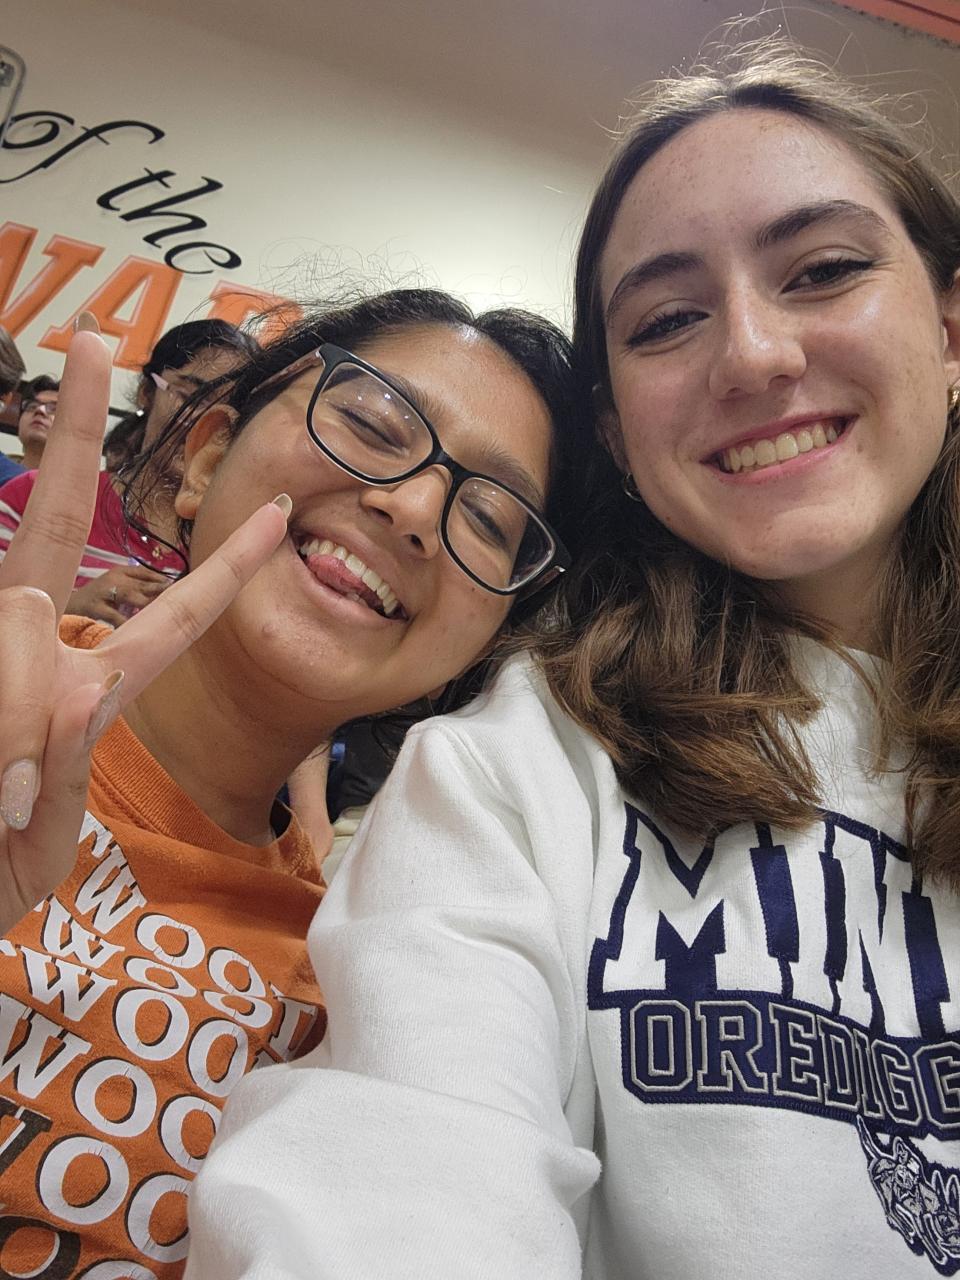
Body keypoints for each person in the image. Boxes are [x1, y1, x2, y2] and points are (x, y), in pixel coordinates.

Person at [185, 35, 960, 1280]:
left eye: (823, 270)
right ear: (618, 431)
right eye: (667, 319)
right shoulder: (522, 768)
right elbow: (402, 1174)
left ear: (949, 323)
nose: (754, 354)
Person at [0, 286, 581, 1279]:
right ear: (208, 457)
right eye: (372, 424)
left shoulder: (352, 993)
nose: (414, 508)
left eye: (488, 517)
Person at [0, 321, 257, 626]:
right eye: (191, 396)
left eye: (230, 411)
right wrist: (72, 605)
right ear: (146, 392)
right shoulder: (33, 498)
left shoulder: (231, 551)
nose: (206, 422)